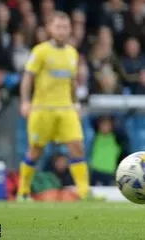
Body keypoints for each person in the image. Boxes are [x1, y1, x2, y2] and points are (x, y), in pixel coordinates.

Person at [17, 12, 102, 201]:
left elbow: (71, 82)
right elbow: (28, 77)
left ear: (70, 29)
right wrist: (25, 101)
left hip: (66, 109)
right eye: (58, 26)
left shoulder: (72, 53)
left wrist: (76, 103)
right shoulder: (40, 51)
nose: (62, 30)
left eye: (65, 27)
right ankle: (22, 192)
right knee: (35, 151)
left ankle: (83, 192)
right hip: (42, 109)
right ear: (49, 28)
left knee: (77, 147)